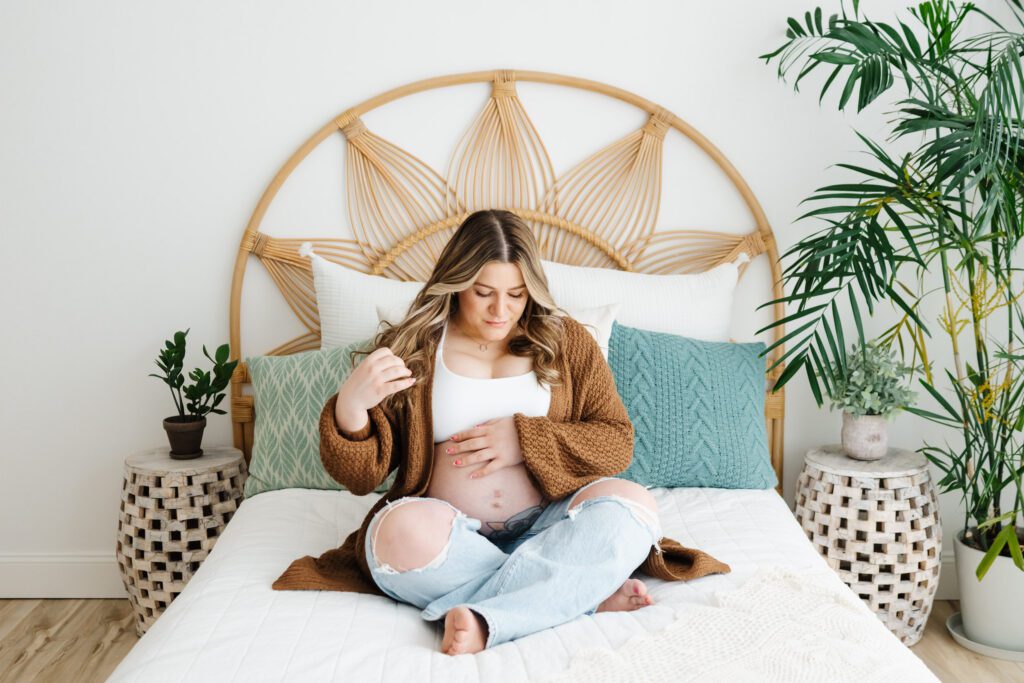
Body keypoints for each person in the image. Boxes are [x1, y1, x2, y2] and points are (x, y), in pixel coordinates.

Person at [272, 209, 730, 655]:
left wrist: (524, 441)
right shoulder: (413, 347)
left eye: (516, 295)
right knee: (394, 534)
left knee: (634, 506)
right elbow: (361, 477)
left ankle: (491, 617)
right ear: (454, 283)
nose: (500, 310)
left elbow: (616, 442)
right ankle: (578, 595)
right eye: (483, 292)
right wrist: (351, 406)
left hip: (550, 527)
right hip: (447, 538)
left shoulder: (567, 341)